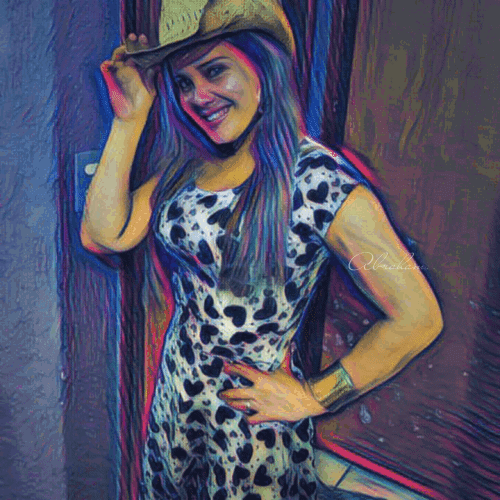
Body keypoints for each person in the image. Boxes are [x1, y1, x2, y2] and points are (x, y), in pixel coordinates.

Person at [80, 0, 443, 498]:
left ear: (263, 69)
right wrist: (130, 119)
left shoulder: (318, 182)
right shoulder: (191, 164)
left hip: (250, 429)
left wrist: (315, 397)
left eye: (215, 71)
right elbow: (104, 234)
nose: (197, 96)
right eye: (183, 82)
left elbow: (418, 316)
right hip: (175, 405)